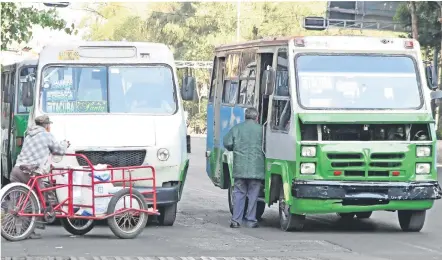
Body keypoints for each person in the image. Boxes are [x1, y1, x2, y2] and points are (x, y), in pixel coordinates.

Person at [9, 115, 69, 239]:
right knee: (38, 196)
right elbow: (59, 150)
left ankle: (13, 228)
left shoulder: (28, 135)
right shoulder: (47, 136)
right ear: (46, 125)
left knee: (19, 202)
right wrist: (65, 144)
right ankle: (32, 230)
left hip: (17, 169)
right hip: (30, 172)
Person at [223, 107, 265, 228]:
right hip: (256, 170)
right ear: (257, 117)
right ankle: (251, 220)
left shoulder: (237, 129)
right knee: (253, 195)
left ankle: (236, 220)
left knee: (239, 194)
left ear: (245, 117)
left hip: (240, 169)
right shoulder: (262, 130)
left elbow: (227, 143)